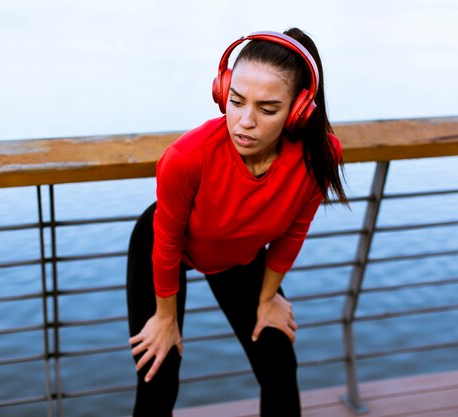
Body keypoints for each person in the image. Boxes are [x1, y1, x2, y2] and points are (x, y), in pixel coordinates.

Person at [126, 27, 349, 417]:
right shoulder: (186, 157)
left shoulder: (319, 156)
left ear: (298, 111)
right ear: (222, 92)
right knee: (159, 376)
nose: (245, 122)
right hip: (166, 246)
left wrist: (267, 299)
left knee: (279, 365)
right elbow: (165, 243)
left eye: (267, 109)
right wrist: (165, 318)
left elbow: (294, 232)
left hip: (237, 254)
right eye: (235, 101)